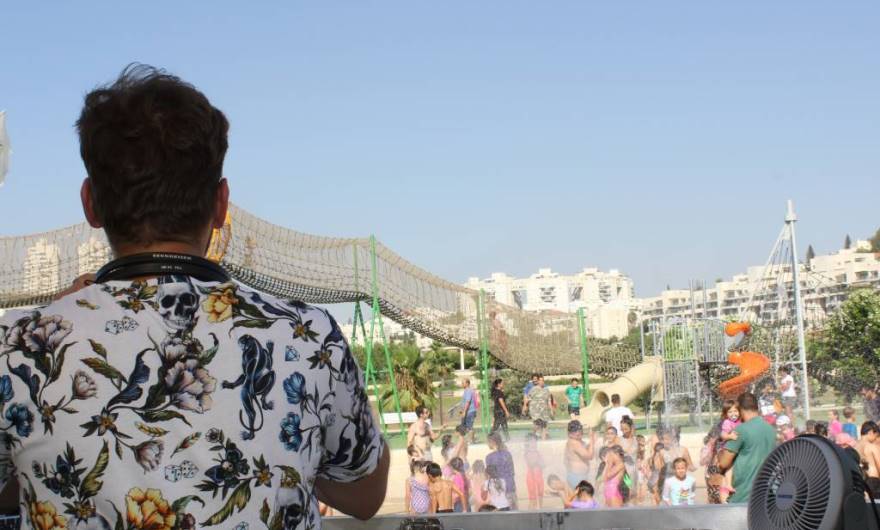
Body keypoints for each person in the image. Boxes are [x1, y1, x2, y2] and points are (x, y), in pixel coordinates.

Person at [0, 65, 389, 527]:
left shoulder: (19, 345)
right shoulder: (307, 338)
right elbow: (365, 495)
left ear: (90, 204)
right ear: (221, 204)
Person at [717, 392, 778, 504]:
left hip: (743, 494)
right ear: (756, 407)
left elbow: (723, 463)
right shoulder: (770, 429)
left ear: (740, 409)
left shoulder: (741, 430)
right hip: (765, 495)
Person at [485, 433, 517, 509]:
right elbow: (512, 472)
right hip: (510, 487)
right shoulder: (507, 454)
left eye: (487, 442)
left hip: (499, 491)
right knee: (514, 515)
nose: (487, 444)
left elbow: (490, 475)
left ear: (492, 442)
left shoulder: (489, 457)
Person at [564, 420, 596, 488]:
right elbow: (589, 456)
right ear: (570, 433)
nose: (579, 433)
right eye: (576, 432)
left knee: (581, 498)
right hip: (577, 477)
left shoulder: (576, 441)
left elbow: (584, 451)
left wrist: (591, 443)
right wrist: (591, 440)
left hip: (577, 476)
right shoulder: (574, 443)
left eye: (580, 431)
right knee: (582, 498)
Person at [858, 421, 880, 499]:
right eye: (876, 435)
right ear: (870, 432)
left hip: (863, 481)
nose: (875, 439)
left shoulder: (856, 446)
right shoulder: (871, 446)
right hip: (874, 481)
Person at [524, 433, 545, 509]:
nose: (534, 443)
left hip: (539, 477)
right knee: (533, 500)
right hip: (532, 478)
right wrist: (539, 462)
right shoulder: (528, 452)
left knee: (540, 497)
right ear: (528, 443)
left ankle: (540, 511)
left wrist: (540, 463)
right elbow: (532, 463)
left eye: (535, 441)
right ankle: (531, 515)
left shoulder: (536, 451)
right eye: (532, 441)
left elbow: (543, 464)